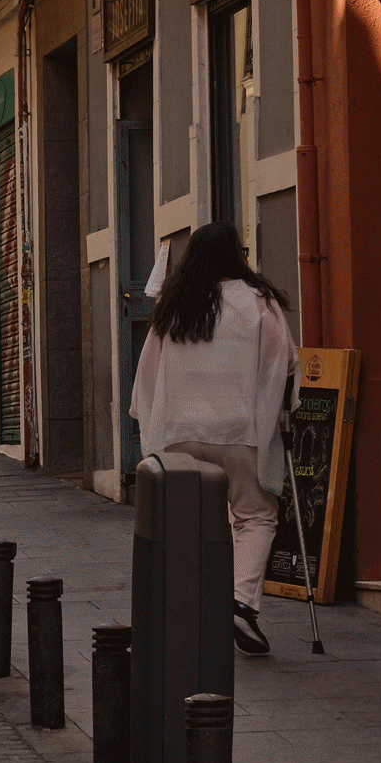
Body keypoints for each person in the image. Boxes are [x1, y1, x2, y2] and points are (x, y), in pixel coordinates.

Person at [129, 221, 297, 658]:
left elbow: (148, 371)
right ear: (236, 255)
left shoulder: (175, 304)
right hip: (238, 432)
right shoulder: (258, 302)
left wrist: (151, 422)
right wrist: (284, 409)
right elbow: (284, 362)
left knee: (187, 521)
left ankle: (185, 611)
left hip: (182, 434)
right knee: (256, 515)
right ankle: (241, 602)